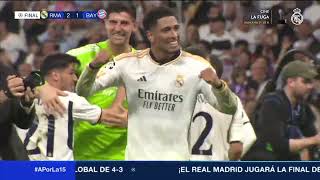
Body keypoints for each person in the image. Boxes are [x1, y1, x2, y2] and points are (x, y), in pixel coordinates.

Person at [75, 6, 237, 160]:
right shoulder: (127, 63)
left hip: (175, 163)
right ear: (150, 36)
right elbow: (84, 91)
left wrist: (219, 86)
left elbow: (228, 108)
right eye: (167, 30)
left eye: (176, 28)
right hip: (136, 163)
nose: (174, 35)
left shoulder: (197, 66)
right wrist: (92, 67)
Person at [7, 54, 127, 160]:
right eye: (71, 73)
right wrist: (125, 83)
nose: (75, 79)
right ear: (55, 76)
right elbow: (113, 117)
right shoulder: (68, 99)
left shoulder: (26, 92)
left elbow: (28, 78)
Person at [65, 3, 137, 160]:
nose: (118, 28)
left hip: (127, 157)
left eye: (124, 23)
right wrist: (45, 89)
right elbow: (47, 78)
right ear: (105, 24)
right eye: (113, 22)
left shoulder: (144, 63)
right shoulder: (80, 55)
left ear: (134, 26)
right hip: (84, 155)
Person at [243, 60, 320, 160]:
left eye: (311, 82)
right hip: (263, 161)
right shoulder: (272, 103)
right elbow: (279, 145)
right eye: (306, 81)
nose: (310, 86)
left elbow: (311, 134)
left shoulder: (302, 107)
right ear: (291, 82)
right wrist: (313, 140)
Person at [0, 62, 35, 160]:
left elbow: (23, 123)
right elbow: (6, 94)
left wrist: (25, 104)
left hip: (6, 150)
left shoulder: (6, 72)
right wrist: (4, 94)